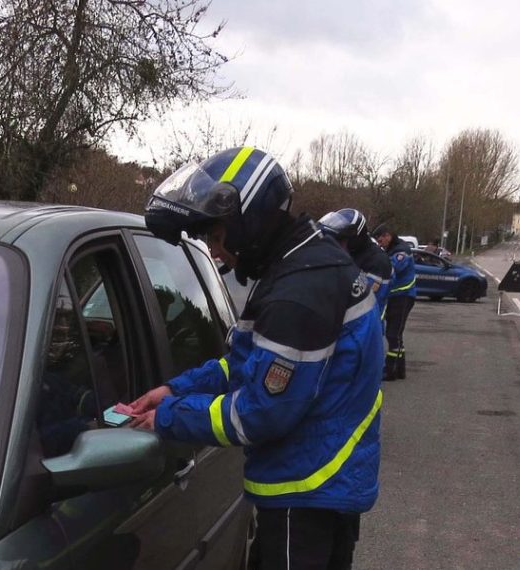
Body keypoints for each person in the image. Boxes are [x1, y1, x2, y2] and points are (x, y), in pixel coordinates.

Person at [128, 147, 384, 570]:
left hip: (305, 495)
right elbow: (246, 364)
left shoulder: (298, 292)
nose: (214, 251)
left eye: (215, 235)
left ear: (245, 221)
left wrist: (169, 416)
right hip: (317, 483)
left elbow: (261, 413)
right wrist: (175, 388)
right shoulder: (298, 263)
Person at [319, 208, 394, 309]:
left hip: (364, 321)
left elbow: (358, 299)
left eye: (340, 240)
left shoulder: (377, 261)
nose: (336, 245)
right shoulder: (353, 253)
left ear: (354, 238)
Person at [372, 225, 416, 382]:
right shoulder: (392, 249)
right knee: (396, 334)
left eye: (381, 239)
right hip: (397, 296)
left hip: (403, 296)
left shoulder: (400, 251)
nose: (379, 243)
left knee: (393, 333)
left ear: (388, 235)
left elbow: (391, 269)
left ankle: (390, 370)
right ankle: (399, 370)